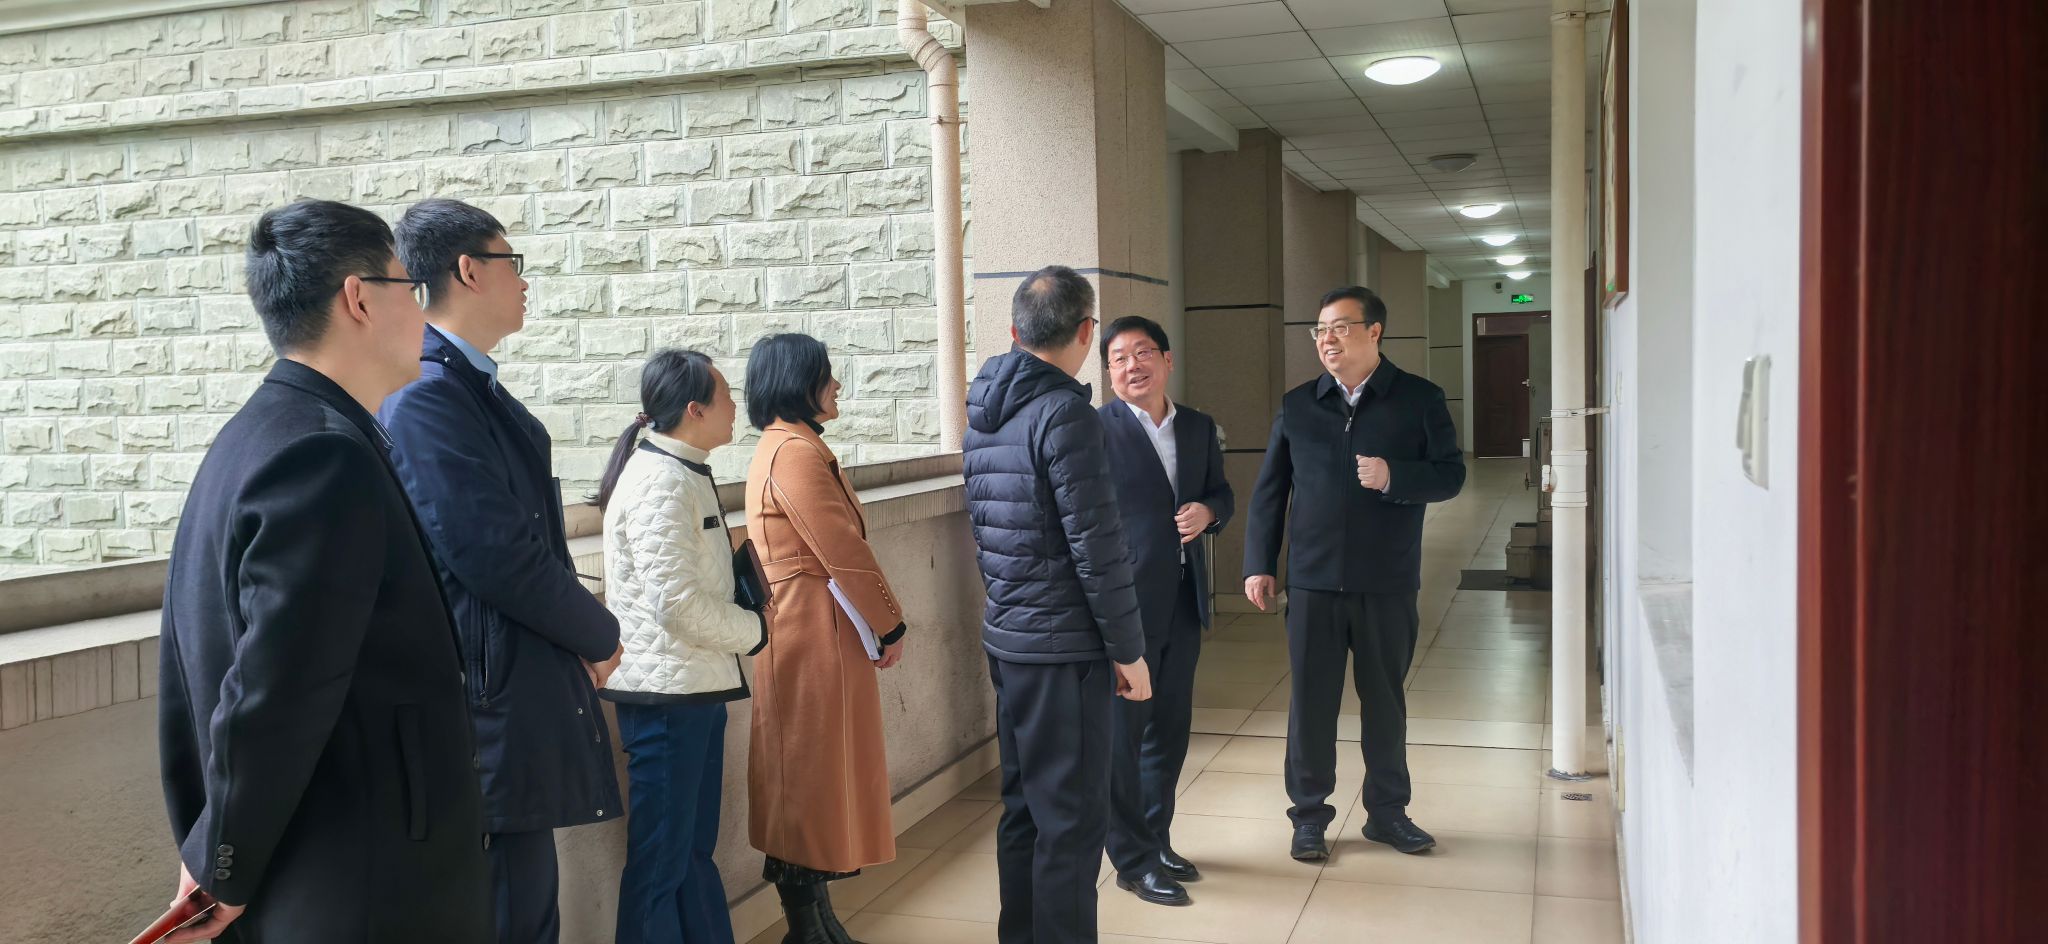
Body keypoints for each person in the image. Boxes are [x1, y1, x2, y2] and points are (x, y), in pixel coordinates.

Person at [155, 199, 491, 943]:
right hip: (364, 883)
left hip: (325, 870)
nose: (424, 312)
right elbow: (278, 687)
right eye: (410, 287)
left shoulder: (255, 436)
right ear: (358, 298)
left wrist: (215, 846)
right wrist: (222, 862)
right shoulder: (323, 454)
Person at [377, 199, 624, 944]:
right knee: (514, 913)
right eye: (512, 263)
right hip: (486, 706)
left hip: (510, 688)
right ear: (468, 270)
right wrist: (597, 633)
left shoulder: (464, 386)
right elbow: (494, 551)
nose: (523, 281)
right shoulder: (427, 394)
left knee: (527, 904)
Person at [1242, 285, 1466, 862]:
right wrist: (1260, 564)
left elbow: (1450, 475)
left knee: (1385, 704)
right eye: (1320, 330)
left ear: (1374, 332)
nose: (1328, 340)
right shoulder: (1299, 405)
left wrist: (1395, 477)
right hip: (1312, 583)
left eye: (1340, 327)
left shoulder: (1418, 399)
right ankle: (1308, 817)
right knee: (1311, 706)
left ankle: (1387, 814)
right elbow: (1271, 493)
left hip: (1386, 581)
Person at [962, 265, 1152, 944]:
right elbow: (1098, 547)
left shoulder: (984, 413)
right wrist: (1129, 651)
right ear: (1086, 332)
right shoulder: (1066, 413)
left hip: (1009, 639)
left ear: (1015, 333)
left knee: (1024, 810)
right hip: (1063, 650)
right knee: (1071, 822)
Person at [596, 349, 767, 944]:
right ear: (695, 409)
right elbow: (678, 607)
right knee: (662, 862)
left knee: (690, 853)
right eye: (726, 395)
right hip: (666, 699)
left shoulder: (681, 469)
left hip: (692, 688)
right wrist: (757, 630)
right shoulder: (660, 481)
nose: (735, 406)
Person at [742, 333, 908, 944]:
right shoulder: (793, 451)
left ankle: (818, 925)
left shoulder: (791, 445)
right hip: (809, 633)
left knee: (813, 777)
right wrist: (890, 622)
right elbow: (840, 548)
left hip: (814, 627)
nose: (836, 385)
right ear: (798, 382)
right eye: (826, 374)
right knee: (807, 780)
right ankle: (807, 930)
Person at [1096, 316, 1233, 905]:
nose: (1133, 365)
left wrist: (1209, 512)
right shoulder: (1094, 430)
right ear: (1108, 371)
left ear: (1167, 360)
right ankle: (1131, 860)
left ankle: (1156, 840)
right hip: (1125, 608)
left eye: (1144, 352)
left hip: (1183, 600)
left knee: (1170, 733)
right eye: (1119, 358)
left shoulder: (1196, 426)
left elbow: (1221, 491)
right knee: (1123, 739)